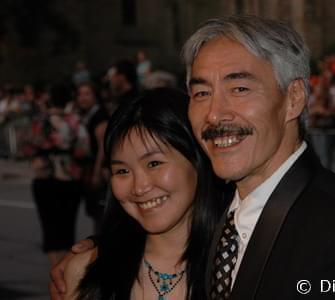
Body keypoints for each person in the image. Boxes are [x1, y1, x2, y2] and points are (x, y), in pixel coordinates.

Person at [51, 15, 335, 299]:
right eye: (202, 92)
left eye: (239, 88)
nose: (215, 113)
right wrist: (101, 255)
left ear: (294, 98)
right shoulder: (228, 220)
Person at [61, 88, 229, 299]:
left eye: (154, 163)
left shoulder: (238, 264)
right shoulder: (85, 271)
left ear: (197, 160)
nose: (139, 187)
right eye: (122, 171)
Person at [28, 83, 90, 266]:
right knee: (67, 228)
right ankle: (67, 270)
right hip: (70, 179)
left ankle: (57, 270)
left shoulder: (40, 121)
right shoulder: (75, 121)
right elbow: (83, 149)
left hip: (45, 178)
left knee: (49, 229)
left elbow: (28, 145)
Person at [76, 82, 109, 231]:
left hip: (99, 171)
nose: (82, 98)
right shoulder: (86, 114)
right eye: (80, 94)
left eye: (87, 94)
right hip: (89, 169)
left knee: (101, 215)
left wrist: (96, 173)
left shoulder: (99, 115)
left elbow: (103, 146)